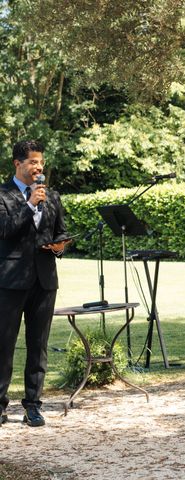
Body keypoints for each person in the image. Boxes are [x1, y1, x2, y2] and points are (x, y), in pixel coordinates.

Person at [0, 140, 69, 427]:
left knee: (38, 345)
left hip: (44, 280)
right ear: (18, 164)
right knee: (3, 344)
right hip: (11, 281)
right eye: (32, 162)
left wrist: (60, 247)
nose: (38, 167)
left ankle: (33, 405)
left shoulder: (51, 197)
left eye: (40, 162)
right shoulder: (2, 195)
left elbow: (61, 232)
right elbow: (4, 230)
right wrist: (29, 204)